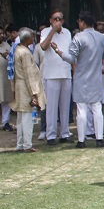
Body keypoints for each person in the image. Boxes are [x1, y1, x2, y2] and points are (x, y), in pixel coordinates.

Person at [51, 11, 104, 148]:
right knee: (97, 108)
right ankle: (99, 138)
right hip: (96, 76)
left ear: (82, 22)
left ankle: (81, 140)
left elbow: (70, 58)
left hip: (81, 77)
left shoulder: (78, 37)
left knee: (82, 109)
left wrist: (58, 51)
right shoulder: (102, 37)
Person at [10, 27, 46, 152]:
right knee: (27, 118)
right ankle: (27, 145)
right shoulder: (25, 53)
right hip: (25, 88)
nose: (33, 38)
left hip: (20, 86)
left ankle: (20, 144)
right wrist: (34, 94)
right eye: (31, 36)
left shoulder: (18, 50)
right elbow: (29, 75)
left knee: (21, 118)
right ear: (27, 39)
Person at [39, 10, 73, 145]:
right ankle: (51, 134)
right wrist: (52, 30)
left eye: (60, 19)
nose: (58, 21)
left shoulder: (68, 33)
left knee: (65, 106)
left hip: (65, 73)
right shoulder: (45, 32)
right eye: (55, 19)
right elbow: (43, 46)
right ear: (51, 20)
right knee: (51, 107)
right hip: (51, 75)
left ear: (63, 21)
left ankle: (64, 133)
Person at [1, 24, 19, 131]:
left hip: (4, 77)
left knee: (6, 100)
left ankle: (5, 122)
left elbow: (12, 58)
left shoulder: (7, 45)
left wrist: (6, 56)